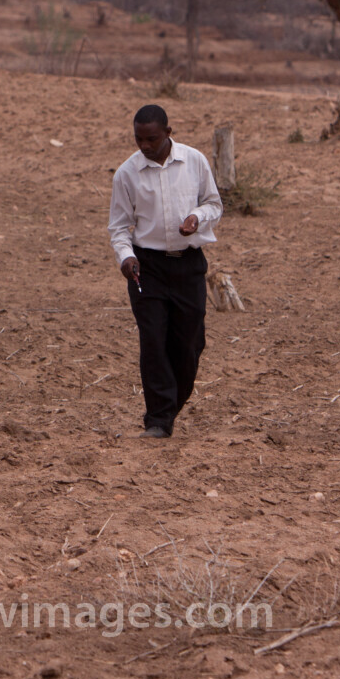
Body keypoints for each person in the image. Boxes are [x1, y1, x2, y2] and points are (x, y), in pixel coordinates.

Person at [108, 104, 223, 438]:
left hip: (188, 264)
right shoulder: (127, 174)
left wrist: (196, 219)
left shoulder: (194, 161)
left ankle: (170, 404)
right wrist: (126, 257)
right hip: (147, 268)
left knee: (190, 343)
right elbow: (118, 228)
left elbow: (214, 204)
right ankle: (158, 419)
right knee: (154, 342)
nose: (144, 146)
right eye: (138, 139)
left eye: (152, 139)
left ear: (168, 133)